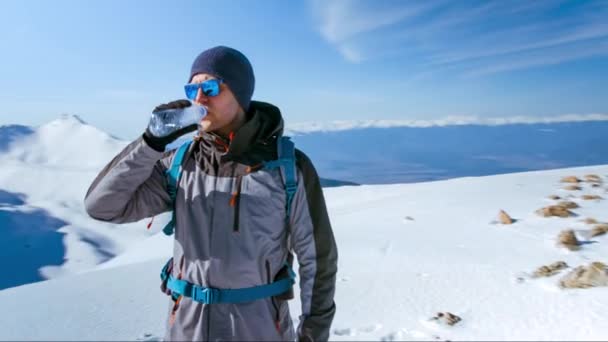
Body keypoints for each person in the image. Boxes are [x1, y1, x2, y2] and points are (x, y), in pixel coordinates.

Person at [84, 46, 338, 341]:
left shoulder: (287, 168)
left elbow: (317, 260)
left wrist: (312, 335)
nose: (199, 98)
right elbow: (101, 206)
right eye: (192, 88)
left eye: (210, 87)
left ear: (240, 94)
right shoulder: (179, 165)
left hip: (259, 329)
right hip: (187, 328)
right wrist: (150, 142)